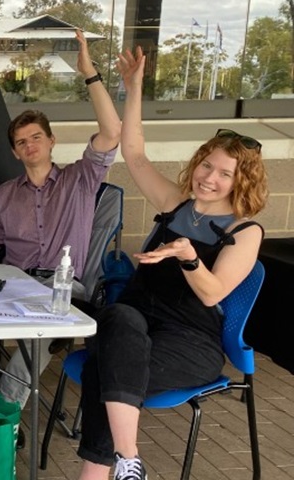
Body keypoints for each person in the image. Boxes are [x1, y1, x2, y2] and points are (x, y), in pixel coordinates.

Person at [76, 47, 267, 480]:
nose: (209, 177)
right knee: (119, 316)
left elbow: (214, 292)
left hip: (190, 343)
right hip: (136, 323)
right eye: (206, 164)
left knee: (102, 369)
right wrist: (134, 87)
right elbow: (135, 153)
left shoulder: (244, 231)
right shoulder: (175, 203)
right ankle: (128, 458)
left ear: (242, 181)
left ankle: (105, 469)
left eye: (224, 173)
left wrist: (188, 256)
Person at [0, 29, 120, 417]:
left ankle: (2, 417)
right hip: (14, 285)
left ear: (51, 141)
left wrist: (89, 74)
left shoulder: (81, 179)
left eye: (36, 137)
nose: (29, 145)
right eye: (21, 142)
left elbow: (112, 132)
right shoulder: (5, 194)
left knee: (32, 344)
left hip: (64, 288)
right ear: (15, 151)